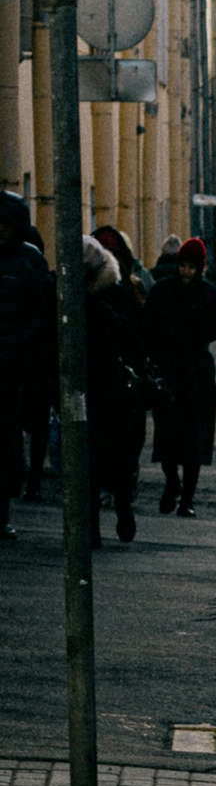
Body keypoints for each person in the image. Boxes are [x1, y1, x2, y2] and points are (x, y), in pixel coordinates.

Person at [144, 237, 216, 518]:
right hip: (169, 372)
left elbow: (213, 331)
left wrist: (187, 328)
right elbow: (148, 327)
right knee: (166, 436)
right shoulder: (163, 290)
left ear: (199, 268)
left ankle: (187, 498)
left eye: (191, 267)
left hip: (197, 375)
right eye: (183, 266)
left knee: (194, 440)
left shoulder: (209, 294)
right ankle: (172, 483)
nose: (186, 272)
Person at [83, 235, 147, 544]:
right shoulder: (71, 298)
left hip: (115, 393)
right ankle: (91, 527)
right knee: (87, 463)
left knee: (118, 459)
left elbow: (133, 339)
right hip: (83, 391)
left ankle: (124, 511)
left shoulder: (116, 295)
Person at [0, 191, 51, 539]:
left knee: (6, 442)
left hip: (12, 370)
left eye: (6, 227)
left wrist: (22, 347)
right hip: (13, 363)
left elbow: (42, 314)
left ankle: (2, 513)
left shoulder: (30, 262)